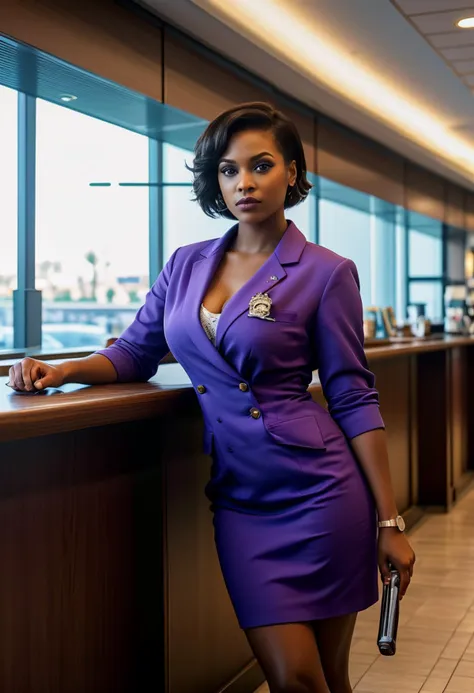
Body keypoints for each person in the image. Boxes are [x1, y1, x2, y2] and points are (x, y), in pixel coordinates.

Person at [8, 102, 415, 693]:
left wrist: (389, 521)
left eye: (261, 165)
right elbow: (132, 353)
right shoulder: (185, 264)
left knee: (322, 678)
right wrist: (62, 370)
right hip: (242, 502)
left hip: (322, 494)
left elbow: (352, 396)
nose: (243, 183)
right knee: (295, 676)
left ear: (294, 174)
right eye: (228, 170)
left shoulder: (327, 272)